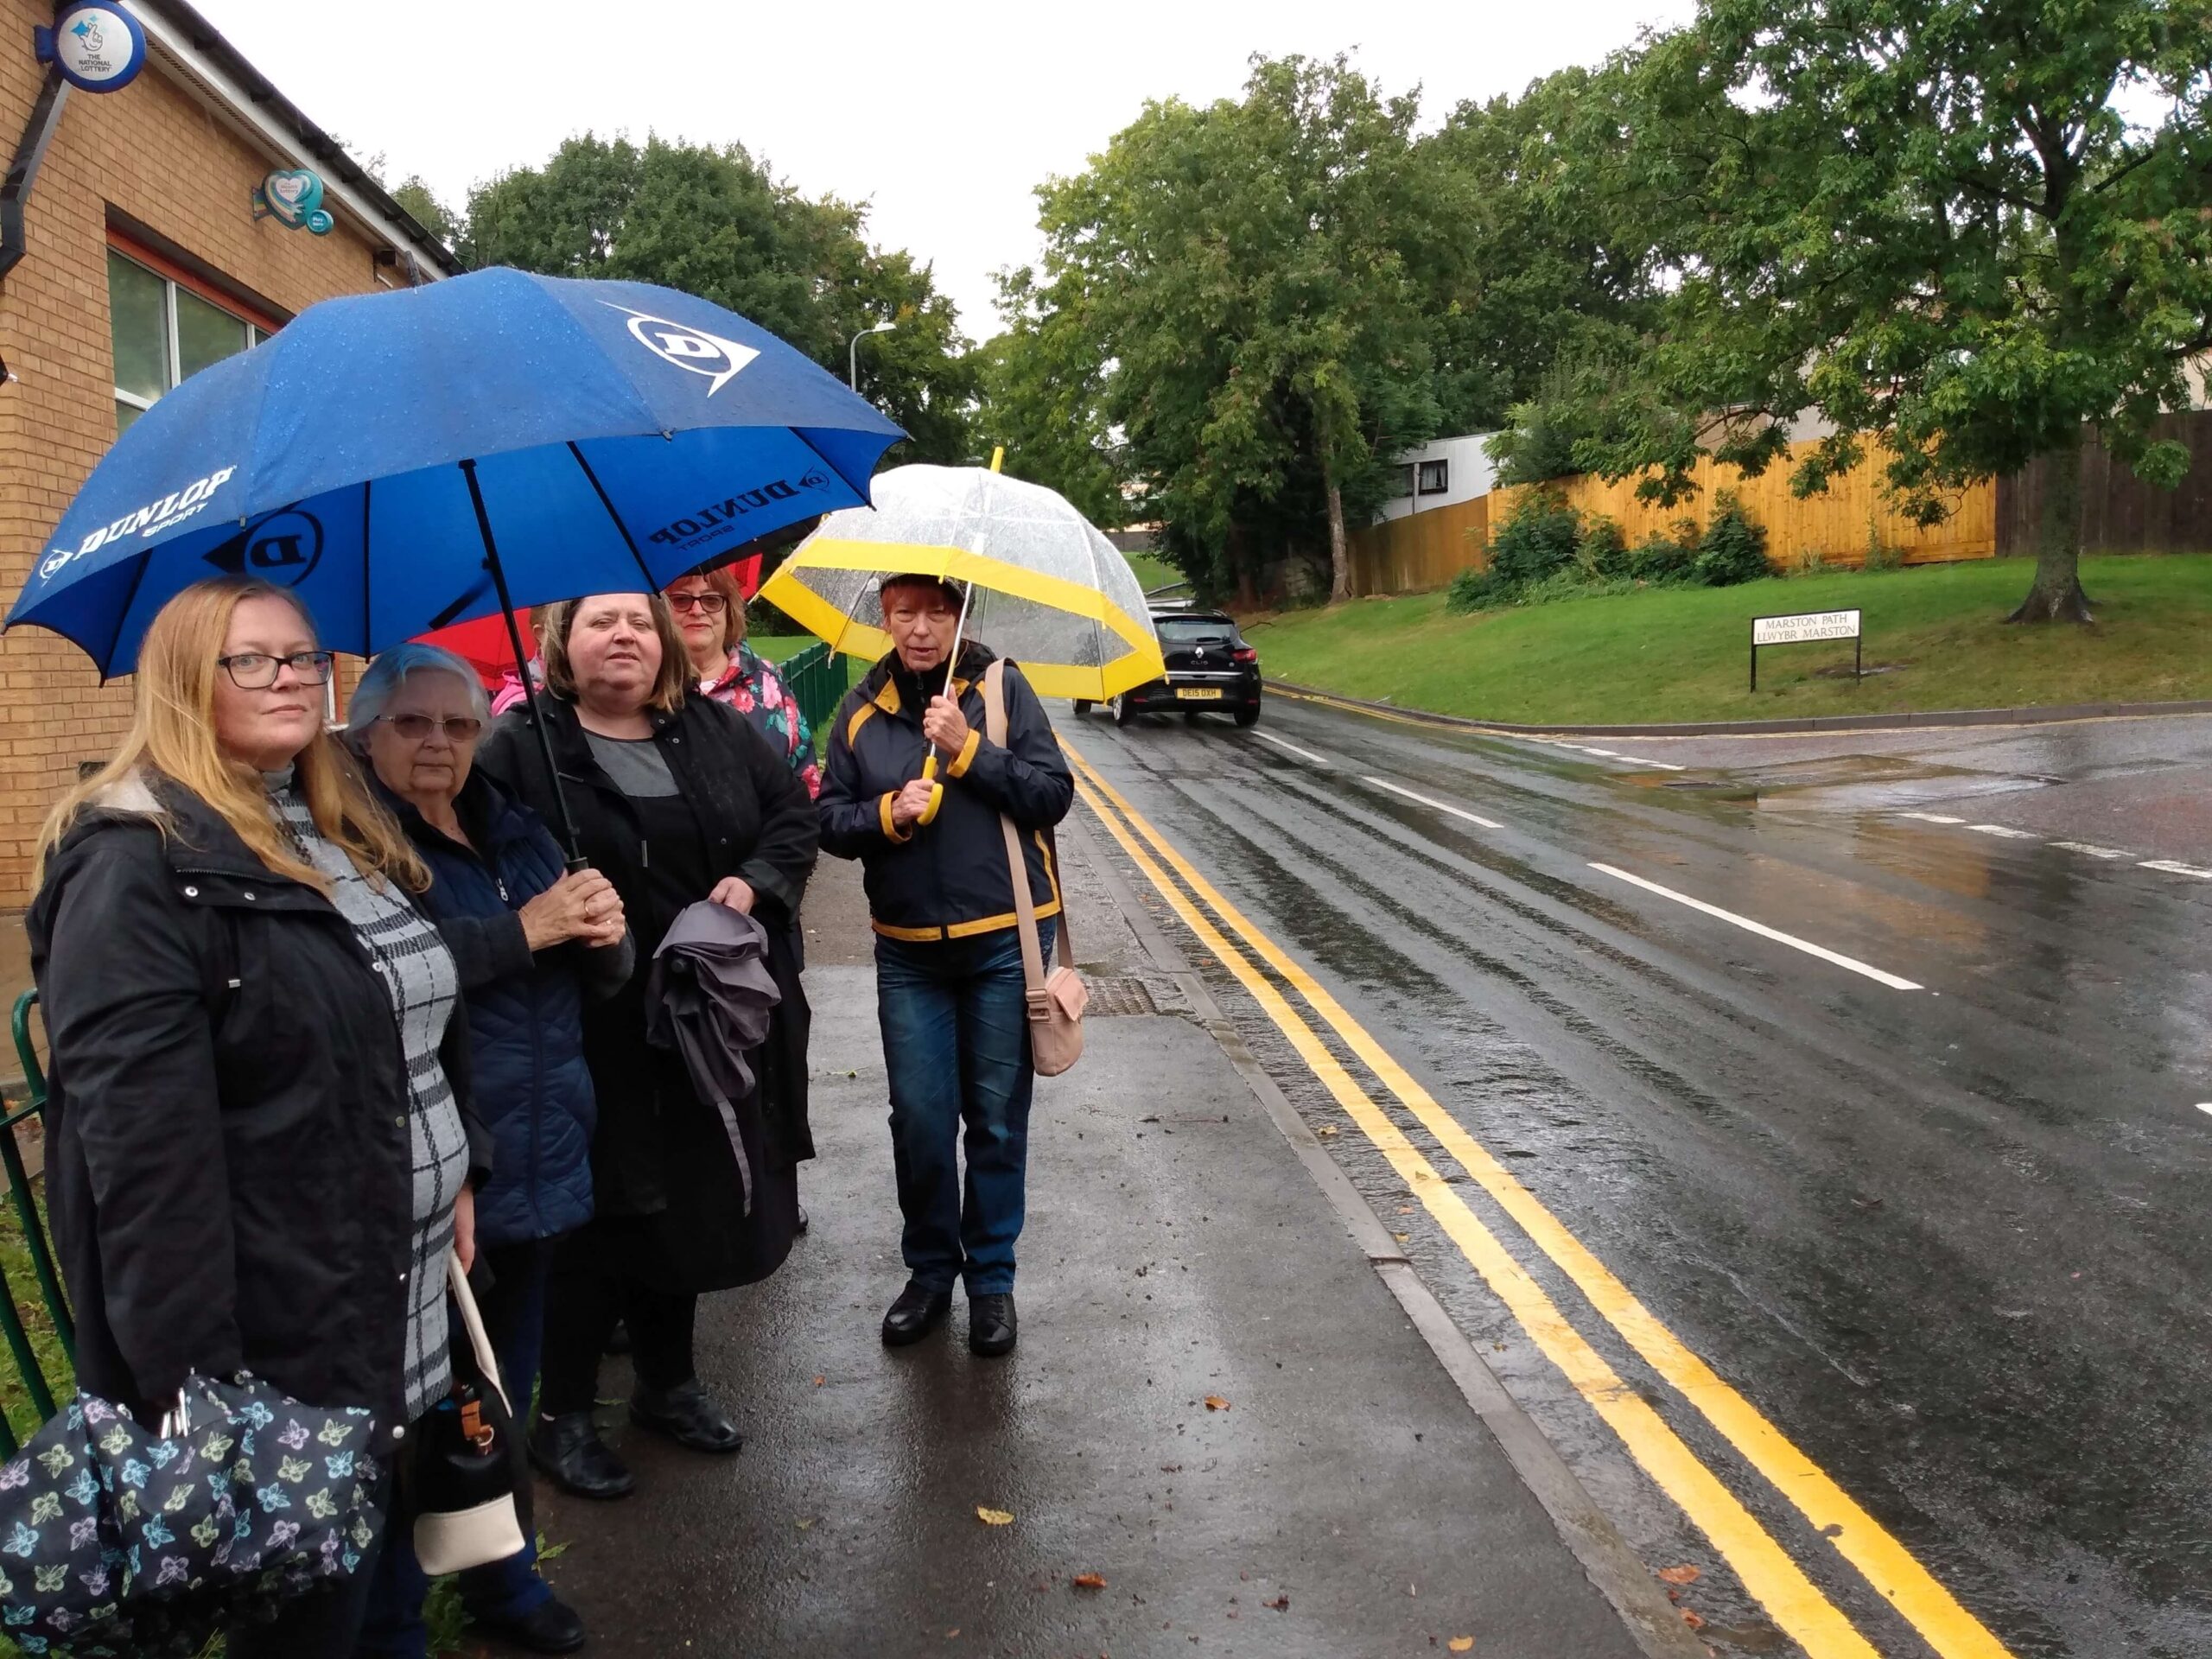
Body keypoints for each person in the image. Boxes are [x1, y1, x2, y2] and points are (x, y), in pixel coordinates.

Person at [25, 577, 486, 1659]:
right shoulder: (135, 867)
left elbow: (400, 1025)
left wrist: (460, 1168)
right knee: (308, 1622)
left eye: (303, 655)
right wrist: (204, 1397)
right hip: (286, 1343)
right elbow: (144, 1168)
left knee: (387, 1591)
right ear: (185, 678)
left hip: (400, 1296)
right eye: (253, 660)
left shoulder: (329, 819)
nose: (291, 676)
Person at [476, 593, 818, 1501]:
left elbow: (792, 816)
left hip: (697, 1020)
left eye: (637, 621)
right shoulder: (517, 748)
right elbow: (463, 866)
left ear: (663, 642)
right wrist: (543, 904)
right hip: (586, 1028)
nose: (622, 635)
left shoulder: (707, 728)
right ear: (562, 643)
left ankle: (668, 1386)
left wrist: (755, 880)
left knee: (683, 1205)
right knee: (592, 1220)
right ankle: (566, 1416)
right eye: (599, 622)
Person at [346, 643, 633, 1656]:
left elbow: (596, 972)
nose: (438, 744)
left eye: (458, 725)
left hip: (542, 1146)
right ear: (366, 732)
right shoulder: (347, 841)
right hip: (437, 1165)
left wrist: (603, 929)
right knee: (410, 1414)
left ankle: (501, 1584)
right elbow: (377, 985)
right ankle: (389, 1623)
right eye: (412, 724)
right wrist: (527, 929)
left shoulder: (512, 823)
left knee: (501, 1398)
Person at [817, 575, 1074, 1357]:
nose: (921, 629)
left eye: (937, 612)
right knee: (921, 1122)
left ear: (959, 617)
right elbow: (829, 817)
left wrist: (968, 754)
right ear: (884, 620)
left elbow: (1052, 795)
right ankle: (931, 1272)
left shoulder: (1000, 688)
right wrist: (884, 817)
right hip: (907, 953)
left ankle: (991, 1283)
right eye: (905, 614)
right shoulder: (861, 709)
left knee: (995, 1121)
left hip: (1002, 942)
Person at [664, 564, 822, 798]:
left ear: (729, 611)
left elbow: (805, 777)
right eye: (681, 599)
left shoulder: (767, 678)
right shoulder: (648, 687)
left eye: (711, 600)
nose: (697, 610)